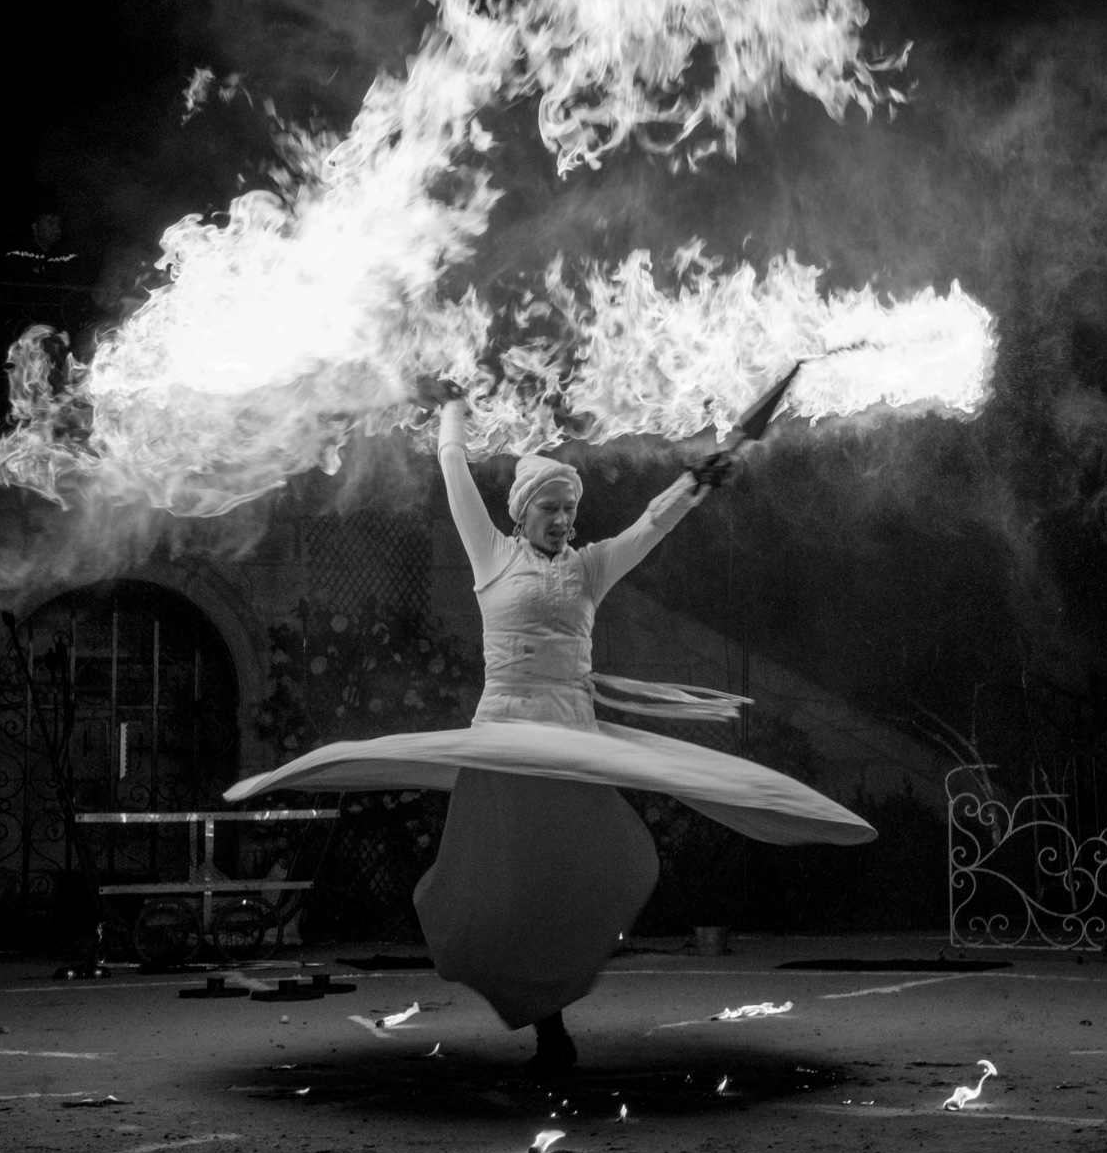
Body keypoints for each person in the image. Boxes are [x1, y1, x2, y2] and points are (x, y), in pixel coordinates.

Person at [225, 394, 873, 1073]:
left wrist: (696, 481)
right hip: (507, 742)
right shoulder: (492, 555)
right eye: (550, 509)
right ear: (522, 512)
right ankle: (548, 1025)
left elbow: (652, 523)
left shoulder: (589, 568)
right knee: (508, 886)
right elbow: (453, 467)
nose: (563, 520)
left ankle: (553, 1013)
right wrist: (453, 407)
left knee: (578, 875)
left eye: (569, 509)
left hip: (569, 743)